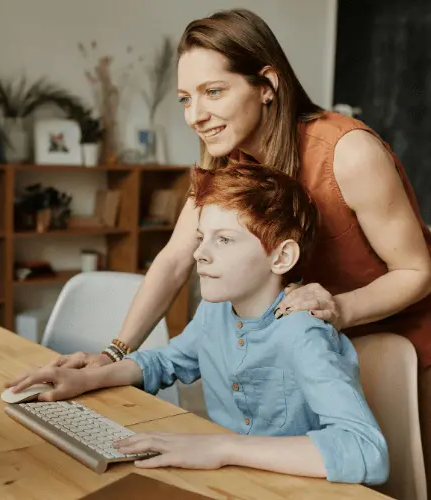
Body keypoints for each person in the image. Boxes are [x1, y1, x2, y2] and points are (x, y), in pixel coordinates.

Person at [42, 8, 431, 491]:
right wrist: (112, 353)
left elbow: (417, 270)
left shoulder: (348, 153)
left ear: (267, 84)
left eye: (214, 91)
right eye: (186, 98)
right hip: (311, 340)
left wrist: (336, 308)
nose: (194, 115)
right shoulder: (227, 162)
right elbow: (174, 258)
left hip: (397, 343)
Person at [6, 164, 389, 484]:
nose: (199, 254)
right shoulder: (216, 311)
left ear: (281, 256)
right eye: (201, 237)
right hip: (230, 480)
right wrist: (89, 377)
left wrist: (221, 447)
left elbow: (365, 450)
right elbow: (169, 360)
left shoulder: (303, 332)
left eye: (223, 240)